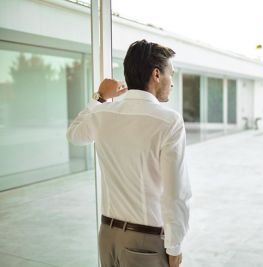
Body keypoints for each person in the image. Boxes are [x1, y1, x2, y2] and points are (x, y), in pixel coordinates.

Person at [67, 39, 191, 267]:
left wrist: (99, 97)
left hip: (107, 237)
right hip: (145, 243)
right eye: (170, 74)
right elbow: (176, 193)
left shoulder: (103, 114)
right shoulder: (168, 121)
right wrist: (175, 246)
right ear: (156, 74)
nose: (171, 82)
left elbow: (74, 135)